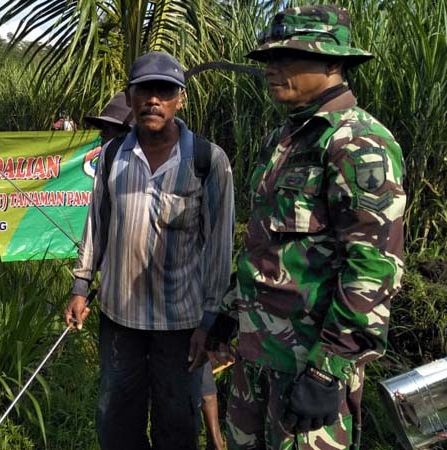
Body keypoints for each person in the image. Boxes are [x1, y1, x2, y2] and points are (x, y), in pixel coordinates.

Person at [193, 5, 406, 450]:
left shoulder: (356, 142)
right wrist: (230, 315)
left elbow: (374, 267)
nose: (272, 69)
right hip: (257, 358)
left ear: (333, 62)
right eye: (269, 59)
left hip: (307, 364)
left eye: (287, 57)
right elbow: (267, 247)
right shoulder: (283, 141)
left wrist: (330, 367)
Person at [65, 51, 235, 450]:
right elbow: (98, 225)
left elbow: (220, 248)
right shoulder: (111, 157)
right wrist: (79, 284)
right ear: (131, 95)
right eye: (144, 90)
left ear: (180, 98)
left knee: (176, 424)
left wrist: (209, 320)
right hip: (119, 319)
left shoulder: (207, 161)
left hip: (180, 324)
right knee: (116, 420)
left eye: (164, 90)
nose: (153, 99)